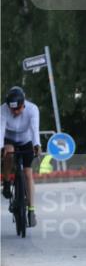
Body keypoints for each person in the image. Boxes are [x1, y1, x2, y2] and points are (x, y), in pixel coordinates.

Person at [1, 86, 41, 226]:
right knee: (9, 153)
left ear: (24, 104)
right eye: (12, 109)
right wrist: (1, 148)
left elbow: (35, 129)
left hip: (26, 139)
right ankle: (6, 182)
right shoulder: (3, 110)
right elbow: (0, 130)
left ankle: (31, 210)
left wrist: (37, 144)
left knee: (28, 173)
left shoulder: (32, 109)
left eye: (18, 109)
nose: (15, 112)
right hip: (9, 139)